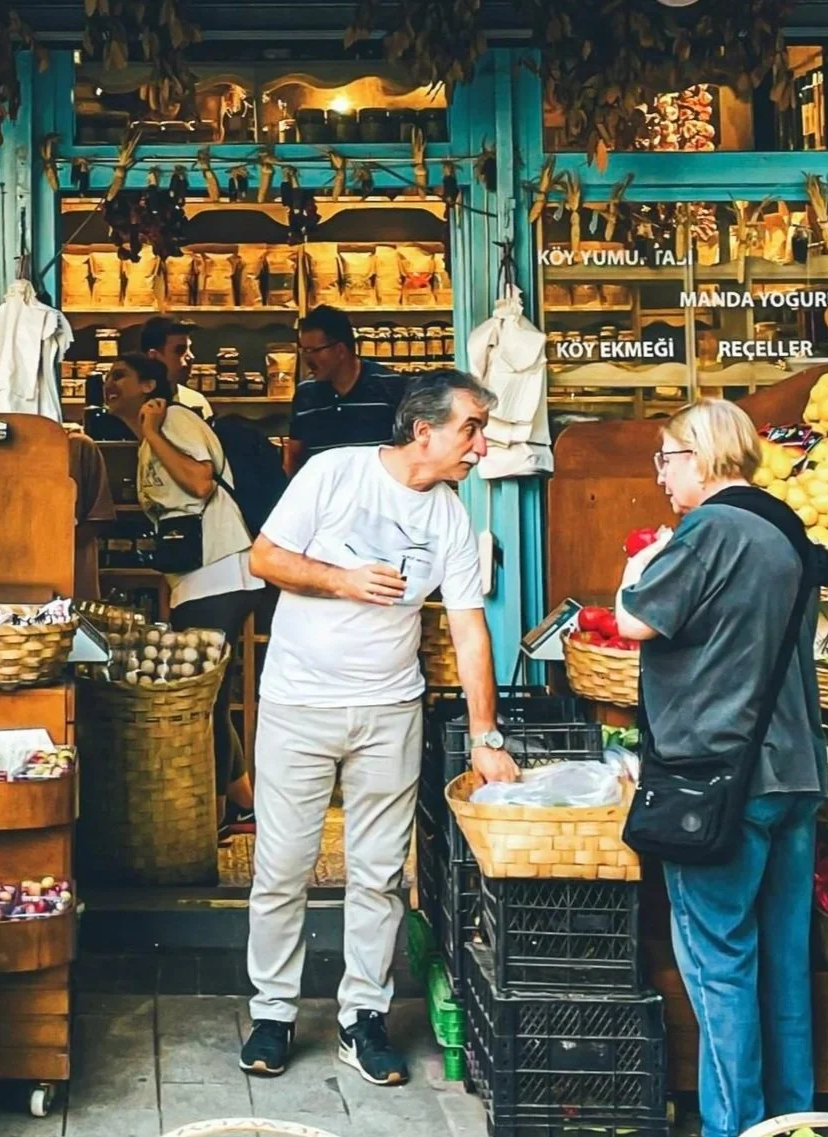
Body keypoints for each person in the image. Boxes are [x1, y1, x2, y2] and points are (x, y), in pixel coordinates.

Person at [240, 370, 518, 1085]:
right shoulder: (333, 473)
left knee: (380, 874)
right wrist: (342, 578)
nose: (481, 447)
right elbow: (263, 557)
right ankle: (272, 1010)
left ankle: (363, 1015)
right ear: (424, 430)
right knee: (281, 866)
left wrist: (486, 737)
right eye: (472, 429)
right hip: (300, 702)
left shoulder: (451, 515)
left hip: (390, 708)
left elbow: (469, 628)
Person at [612, 398, 828, 1137]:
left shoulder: (708, 529)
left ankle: (733, 1128)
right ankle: (792, 1120)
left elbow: (636, 620)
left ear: (702, 458)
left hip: (720, 780)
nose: (662, 475)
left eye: (667, 458)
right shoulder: (785, 526)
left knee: (719, 962)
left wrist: (637, 568)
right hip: (794, 771)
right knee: (784, 961)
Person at [102, 353, 261, 835]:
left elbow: (199, 480)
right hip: (195, 578)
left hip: (219, 571)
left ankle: (210, 819)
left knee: (200, 697)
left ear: (150, 385)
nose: (108, 383)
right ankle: (241, 805)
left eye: (119, 376)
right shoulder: (148, 436)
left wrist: (152, 433)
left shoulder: (175, 419)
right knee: (206, 696)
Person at [286, 304, 405, 475]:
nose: (307, 359)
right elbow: (294, 457)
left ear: (340, 350)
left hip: (376, 498)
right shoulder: (305, 394)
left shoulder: (391, 386)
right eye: (304, 351)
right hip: (325, 499)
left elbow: (408, 451)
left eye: (314, 351)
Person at [139, 316, 214, 420]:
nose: (191, 357)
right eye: (180, 350)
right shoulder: (132, 403)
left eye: (189, 349)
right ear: (154, 356)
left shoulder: (196, 401)